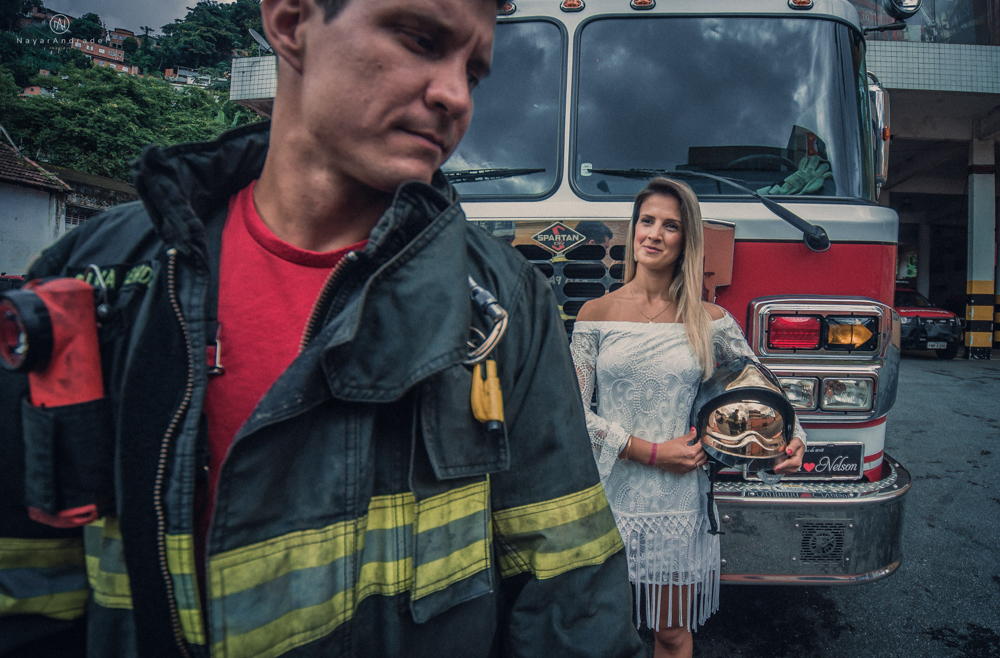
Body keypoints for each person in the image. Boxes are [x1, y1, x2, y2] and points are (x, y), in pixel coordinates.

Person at [0, 1, 646, 657]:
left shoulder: (505, 304)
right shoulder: (93, 281)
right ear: (289, 21)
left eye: (474, 73)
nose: (455, 95)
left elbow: (570, 597)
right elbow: (27, 592)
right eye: (419, 39)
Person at [570, 178, 806, 658]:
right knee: (599, 637)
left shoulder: (710, 320)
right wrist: (648, 451)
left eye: (670, 225)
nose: (653, 234)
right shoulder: (595, 313)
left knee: (671, 635)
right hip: (605, 499)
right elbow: (573, 411)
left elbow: (761, 387)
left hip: (676, 507)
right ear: (633, 229)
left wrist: (794, 436)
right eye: (647, 221)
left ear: (686, 240)